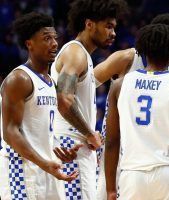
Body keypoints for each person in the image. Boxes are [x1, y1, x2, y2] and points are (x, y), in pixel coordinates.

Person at [94, 13, 169, 200]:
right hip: (117, 145)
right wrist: (88, 128)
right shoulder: (127, 57)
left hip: (153, 150)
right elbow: (85, 85)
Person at [50, 0, 128, 199]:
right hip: (71, 145)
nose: (113, 33)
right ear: (89, 24)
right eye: (108, 26)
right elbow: (63, 100)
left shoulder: (82, 55)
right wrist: (89, 133)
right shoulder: (76, 53)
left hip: (71, 144)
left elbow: (92, 82)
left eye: (114, 27)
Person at [0, 12, 78, 200]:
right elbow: (10, 131)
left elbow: (39, 130)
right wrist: (43, 163)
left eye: (54, 38)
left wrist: (59, 151)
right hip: (21, 168)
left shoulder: (50, 81)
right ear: (29, 44)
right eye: (46, 38)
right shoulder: (19, 79)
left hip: (46, 166)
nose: (54, 43)